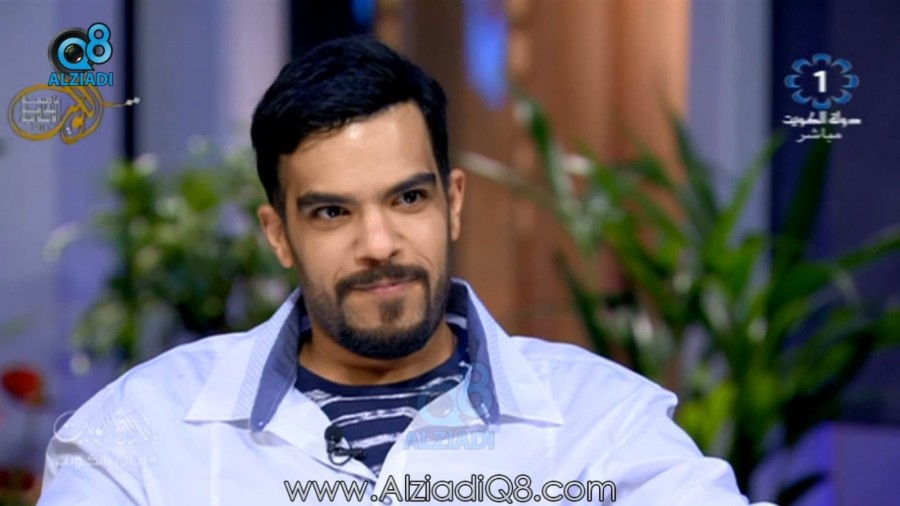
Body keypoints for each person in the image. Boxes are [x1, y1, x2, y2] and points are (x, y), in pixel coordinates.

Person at [38, 36, 775, 505]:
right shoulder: (140, 432)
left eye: (408, 198)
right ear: (279, 234)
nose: (379, 243)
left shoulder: (602, 423)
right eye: (333, 212)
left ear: (452, 203)